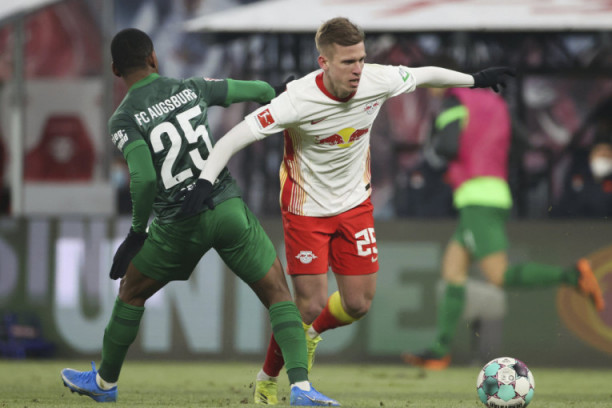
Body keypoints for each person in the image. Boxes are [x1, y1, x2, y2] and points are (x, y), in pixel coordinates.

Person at [178, 17, 516, 404]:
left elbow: (424, 75)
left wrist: (475, 79)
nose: (358, 69)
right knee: (310, 303)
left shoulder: (376, 79)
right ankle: (267, 379)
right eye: (347, 62)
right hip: (306, 208)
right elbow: (232, 138)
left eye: (361, 59)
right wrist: (204, 183)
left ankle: (309, 337)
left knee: (358, 303)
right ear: (323, 62)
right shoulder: (296, 100)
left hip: (355, 205)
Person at [59, 28, 339, 407]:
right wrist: (277, 92)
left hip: (177, 225)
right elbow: (250, 90)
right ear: (153, 58)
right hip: (225, 207)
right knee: (278, 294)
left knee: (131, 293)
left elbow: (143, 179)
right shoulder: (190, 87)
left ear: (115, 69)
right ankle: (302, 389)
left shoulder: (122, 119)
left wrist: (138, 232)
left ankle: (105, 382)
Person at [401, 83, 606, 370]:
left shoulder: (453, 101)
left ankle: (573, 276)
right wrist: (490, 155)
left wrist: (438, 143)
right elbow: (522, 141)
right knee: (453, 271)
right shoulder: (495, 102)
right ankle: (439, 350)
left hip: (476, 196)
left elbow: (447, 146)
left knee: (498, 275)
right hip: (494, 189)